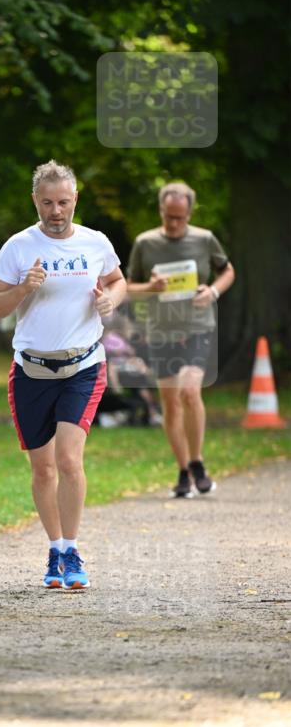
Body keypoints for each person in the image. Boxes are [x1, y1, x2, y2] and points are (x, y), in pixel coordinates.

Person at [0, 160, 127, 591]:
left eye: (63, 202)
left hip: (83, 365)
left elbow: (118, 281)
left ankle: (72, 550)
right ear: (35, 201)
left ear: (75, 199)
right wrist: (23, 288)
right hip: (31, 370)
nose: (56, 210)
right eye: (47, 202)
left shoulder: (95, 242)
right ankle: (54, 548)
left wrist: (110, 301)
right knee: (43, 469)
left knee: (68, 458)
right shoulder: (18, 247)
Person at [127, 182, 235, 498]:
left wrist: (213, 291)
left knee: (190, 391)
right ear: (161, 210)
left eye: (180, 218)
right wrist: (151, 288)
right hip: (161, 332)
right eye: (168, 216)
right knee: (171, 405)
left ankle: (197, 460)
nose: (174, 224)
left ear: (189, 213)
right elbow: (128, 286)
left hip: (198, 327)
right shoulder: (145, 243)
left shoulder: (204, 239)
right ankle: (183, 470)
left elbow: (228, 271)